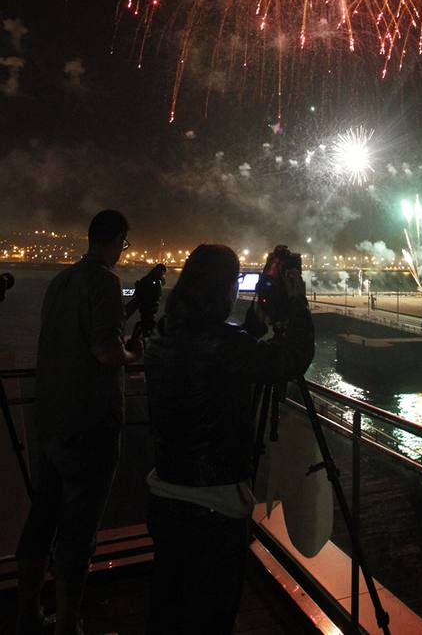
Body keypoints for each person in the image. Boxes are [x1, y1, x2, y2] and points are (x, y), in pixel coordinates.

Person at [144, 243, 314, 635]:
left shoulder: (164, 336)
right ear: (223, 289)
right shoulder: (227, 347)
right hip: (214, 510)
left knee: (168, 612)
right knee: (211, 617)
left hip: (166, 497)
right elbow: (291, 359)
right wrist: (298, 305)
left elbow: (227, 354)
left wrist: (256, 320)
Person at [16, 209, 143, 635]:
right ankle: (68, 625)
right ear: (118, 240)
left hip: (49, 420)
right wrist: (133, 354)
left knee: (42, 518)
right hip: (88, 427)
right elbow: (107, 352)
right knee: (78, 528)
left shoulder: (60, 282)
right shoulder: (105, 281)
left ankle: (27, 614)